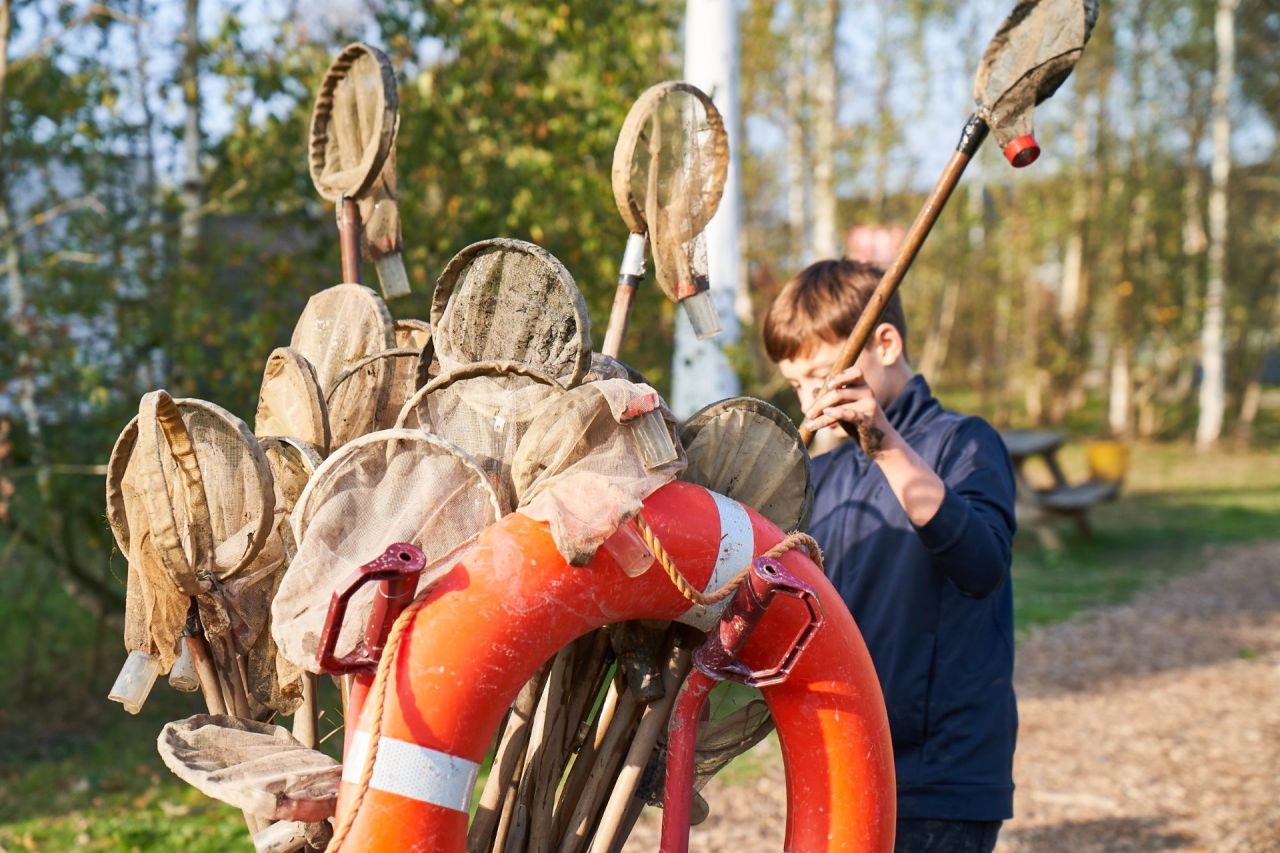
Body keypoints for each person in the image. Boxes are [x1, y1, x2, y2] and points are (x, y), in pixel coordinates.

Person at [763, 258, 1018, 853]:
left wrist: (880, 440)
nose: (809, 402)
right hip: (841, 762)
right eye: (797, 384)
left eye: (822, 377)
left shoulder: (964, 442)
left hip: (940, 778)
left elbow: (981, 566)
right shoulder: (816, 475)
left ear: (884, 342)